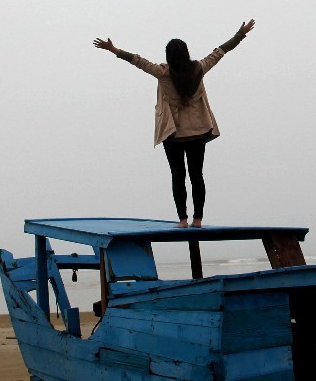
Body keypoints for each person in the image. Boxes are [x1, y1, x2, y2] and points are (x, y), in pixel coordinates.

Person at [94, 20, 256, 228]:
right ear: (186, 53)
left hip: (173, 134)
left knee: (178, 176)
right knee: (197, 175)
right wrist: (240, 34)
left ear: (168, 56)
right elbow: (221, 51)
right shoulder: (199, 68)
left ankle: (183, 219)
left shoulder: (162, 73)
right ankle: (198, 219)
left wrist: (112, 49)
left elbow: (137, 60)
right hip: (198, 131)